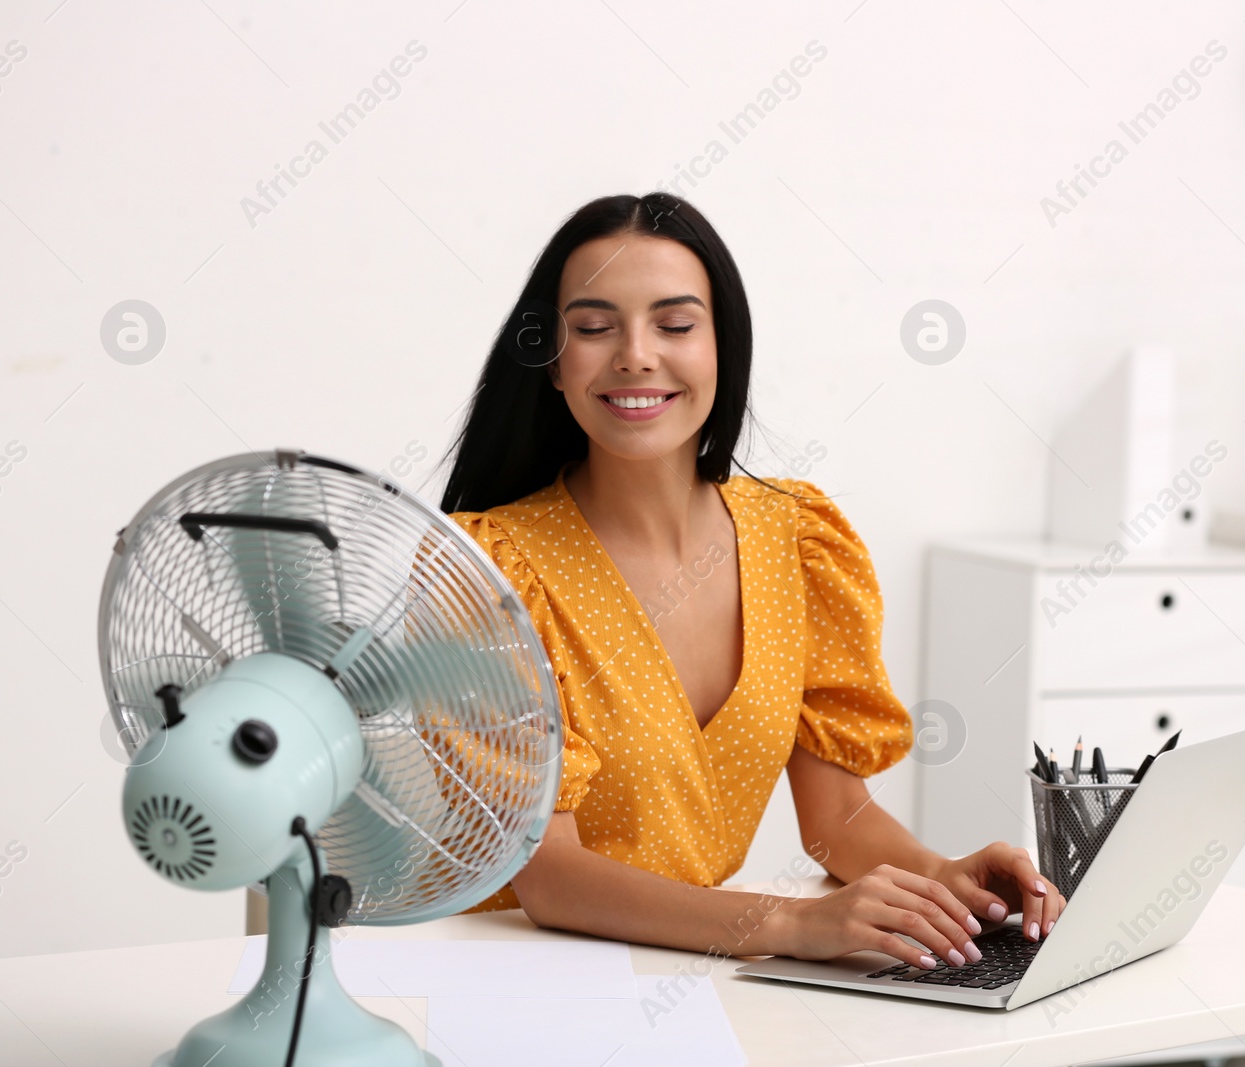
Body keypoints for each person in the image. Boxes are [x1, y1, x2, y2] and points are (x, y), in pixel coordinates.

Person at [438, 192, 1064, 973]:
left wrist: (942, 880)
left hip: (688, 971)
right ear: (554, 363)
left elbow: (836, 818)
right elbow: (548, 877)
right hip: (504, 977)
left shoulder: (798, 539)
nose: (635, 354)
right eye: (594, 327)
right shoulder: (490, 570)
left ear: (723, 348)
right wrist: (792, 923)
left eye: (674, 324)